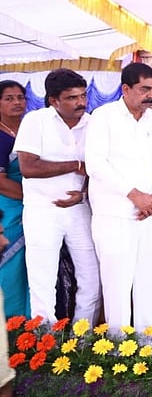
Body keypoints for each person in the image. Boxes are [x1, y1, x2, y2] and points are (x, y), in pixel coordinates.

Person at [85, 63, 152, 331]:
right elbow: (96, 165)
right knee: (117, 284)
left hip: (151, 214)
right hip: (114, 214)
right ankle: (117, 351)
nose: (151, 95)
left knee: (150, 282)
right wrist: (135, 196)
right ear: (126, 89)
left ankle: (150, 348)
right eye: (145, 89)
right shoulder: (103, 116)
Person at [15, 69, 99, 324]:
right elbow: (28, 168)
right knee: (42, 279)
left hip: (80, 208)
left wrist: (83, 192)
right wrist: (74, 165)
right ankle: (45, 341)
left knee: (91, 276)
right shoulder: (36, 121)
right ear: (54, 100)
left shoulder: (93, 122)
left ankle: (82, 340)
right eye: (72, 97)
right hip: (43, 210)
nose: (81, 103)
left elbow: (100, 167)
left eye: (83, 95)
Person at [0, 80, 27, 319]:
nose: (17, 102)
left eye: (20, 97)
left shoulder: (28, 129)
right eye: (9, 98)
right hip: (9, 208)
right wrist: (35, 197)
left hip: (33, 207)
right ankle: (11, 323)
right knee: (10, 264)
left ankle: (31, 325)